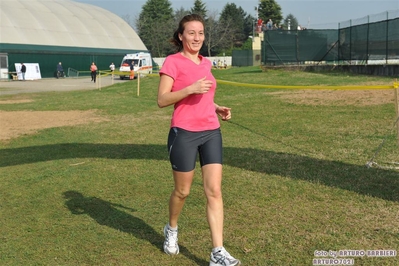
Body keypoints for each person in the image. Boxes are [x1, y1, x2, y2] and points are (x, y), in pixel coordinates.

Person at [157, 14, 241, 266]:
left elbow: (203, 97)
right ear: (181, 36)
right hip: (184, 133)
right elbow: (162, 99)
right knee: (182, 191)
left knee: (214, 191)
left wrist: (216, 107)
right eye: (191, 33)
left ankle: (217, 251)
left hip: (211, 131)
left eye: (201, 33)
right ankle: (171, 229)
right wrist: (189, 89)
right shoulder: (173, 62)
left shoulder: (206, 63)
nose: (197, 38)